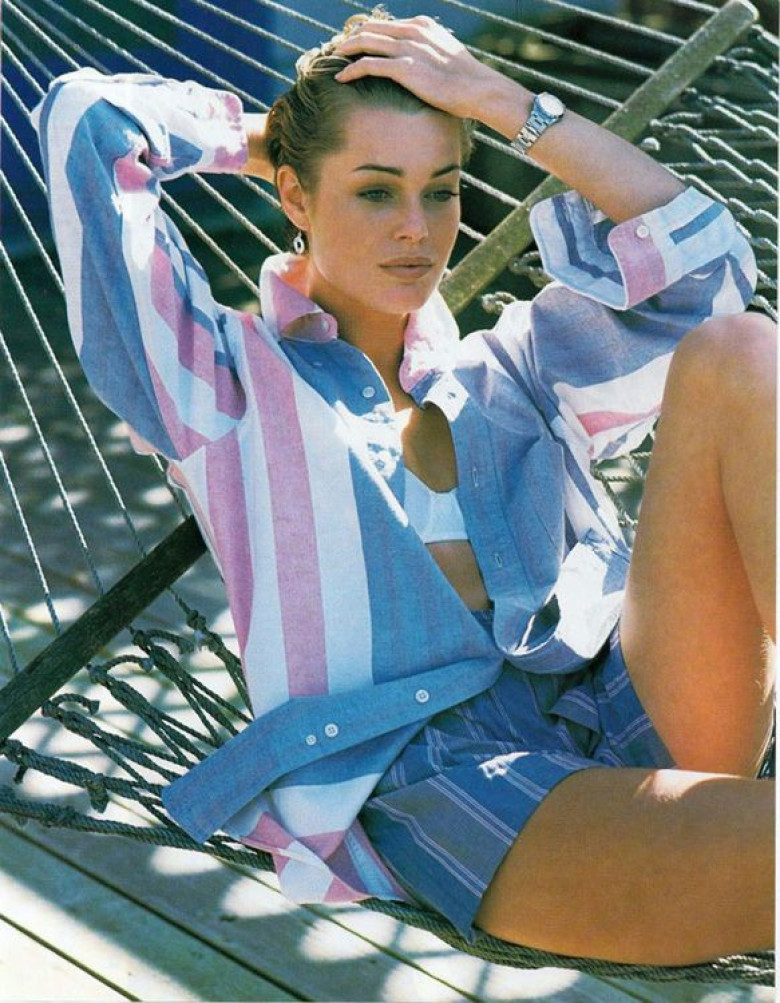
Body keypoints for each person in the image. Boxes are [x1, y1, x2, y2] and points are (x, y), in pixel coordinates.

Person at [33, 10, 774, 967]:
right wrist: (289, 140)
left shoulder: (519, 369)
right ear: (294, 194)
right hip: (452, 776)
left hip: (629, 691)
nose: (416, 230)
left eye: (441, 188)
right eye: (376, 190)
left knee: (740, 347)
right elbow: (87, 120)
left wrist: (498, 102)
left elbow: (710, 269)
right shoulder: (223, 388)